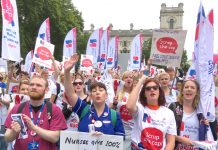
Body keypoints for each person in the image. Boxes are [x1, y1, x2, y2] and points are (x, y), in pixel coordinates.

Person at [64, 54, 125, 136]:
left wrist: (103, 139)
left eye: (101, 90)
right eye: (94, 91)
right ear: (91, 96)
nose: (97, 92)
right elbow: (70, 93)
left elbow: (119, 140)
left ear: (106, 95)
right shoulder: (84, 109)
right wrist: (67, 72)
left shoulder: (114, 115)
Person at [4, 75, 67, 150]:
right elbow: (7, 137)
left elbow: (55, 137)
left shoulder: (54, 109)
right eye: (31, 84)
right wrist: (14, 132)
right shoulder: (17, 108)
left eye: (38, 85)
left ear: (46, 89)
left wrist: (34, 128)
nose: (34, 87)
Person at [126, 76, 177, 150]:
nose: (152, 90)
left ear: (159, 92)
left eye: (155, 88)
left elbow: (171, 142)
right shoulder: (140, 108)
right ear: (144, 93)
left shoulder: (169, 113)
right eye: (148, 88)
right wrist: (141, 81)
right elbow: (129, 106)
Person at [168, 79, 216, 149]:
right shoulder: (173, 106)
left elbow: (208, 136)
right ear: (182, 91)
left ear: (197, 92)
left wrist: (207, 125)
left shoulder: (201, 111)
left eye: (192, 88)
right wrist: (179, 138)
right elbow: (165, 130)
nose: (189, 89)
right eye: (186, 87)